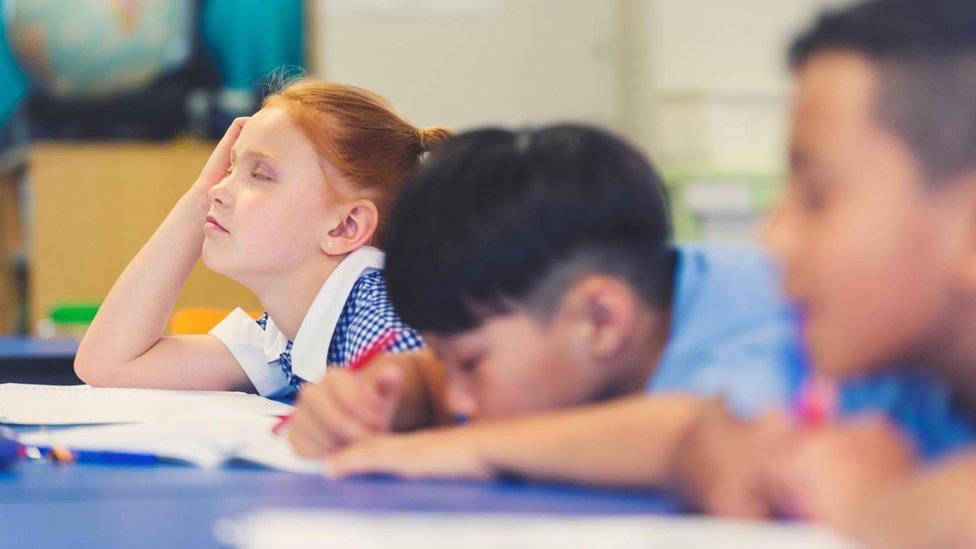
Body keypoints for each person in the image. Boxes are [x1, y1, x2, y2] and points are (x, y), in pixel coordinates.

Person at [75, 80, 450, 408]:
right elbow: (108, 364)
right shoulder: (288, 334)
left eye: (260, 175)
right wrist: (198, 199)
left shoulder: (383, 323)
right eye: (230, 168)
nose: (218, 190)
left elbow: (443, 439)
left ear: (345, 227)